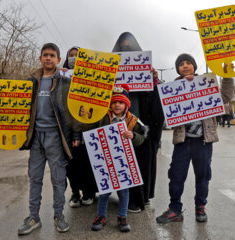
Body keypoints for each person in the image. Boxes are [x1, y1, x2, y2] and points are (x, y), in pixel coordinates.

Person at [156, 53, 234, 224]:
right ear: (177, 69)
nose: (185, 66)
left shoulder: (206, 84)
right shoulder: (173, 88)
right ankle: (175, 209)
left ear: (194, 66)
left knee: (203, 176)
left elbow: (226, 97)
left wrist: (227, 76)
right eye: (181, 64)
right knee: (176, 176)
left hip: (203, 142)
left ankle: (200, 207)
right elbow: (165, 106)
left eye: (188, 63)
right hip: (183, 142)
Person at [18, 43, 80, 235]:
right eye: (45, 55)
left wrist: (76, 134)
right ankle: (33, 217)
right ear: (40, 58)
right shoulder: (31, 82)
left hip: (56, 136)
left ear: (58, 60)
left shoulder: (65, 83)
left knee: (58, 179)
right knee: (35, 178)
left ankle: (59, 216)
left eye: (52, 55)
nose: (48, 58)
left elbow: (73, 111)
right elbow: (19, 108)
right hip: (36, 137)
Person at [112, 32, 164, 212]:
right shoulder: (110, 69)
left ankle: (139, 197)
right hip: (116, 123)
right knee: (120, 161)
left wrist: (153, 79)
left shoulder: (146, 72)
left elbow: (156, 102)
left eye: (129, 46)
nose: (125, 48)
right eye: (122, 46)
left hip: (139, 125)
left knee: (141, 163)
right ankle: (122, 196)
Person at [90, 84, 147, 232]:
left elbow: (142, 137)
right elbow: (92, 132)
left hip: (124, 163)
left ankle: (122, 217)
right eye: (114, 102)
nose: (117, 105)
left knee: (124, 191)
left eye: (120, 102)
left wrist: (133, 135)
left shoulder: (134, 120)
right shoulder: (102, 117)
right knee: (105, 191)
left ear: (126, 104)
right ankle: (101, 216)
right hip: (106, 161)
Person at [62, 46, 98, 208]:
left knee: (88, 164)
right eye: (71, 55)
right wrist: (60, 75)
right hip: (67, 130)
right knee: (71, 165)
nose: (74, 58)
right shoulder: (62, 77)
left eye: (77, 55)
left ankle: (88, 193)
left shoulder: (91, 79)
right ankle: (75, 193)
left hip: (89, 129)